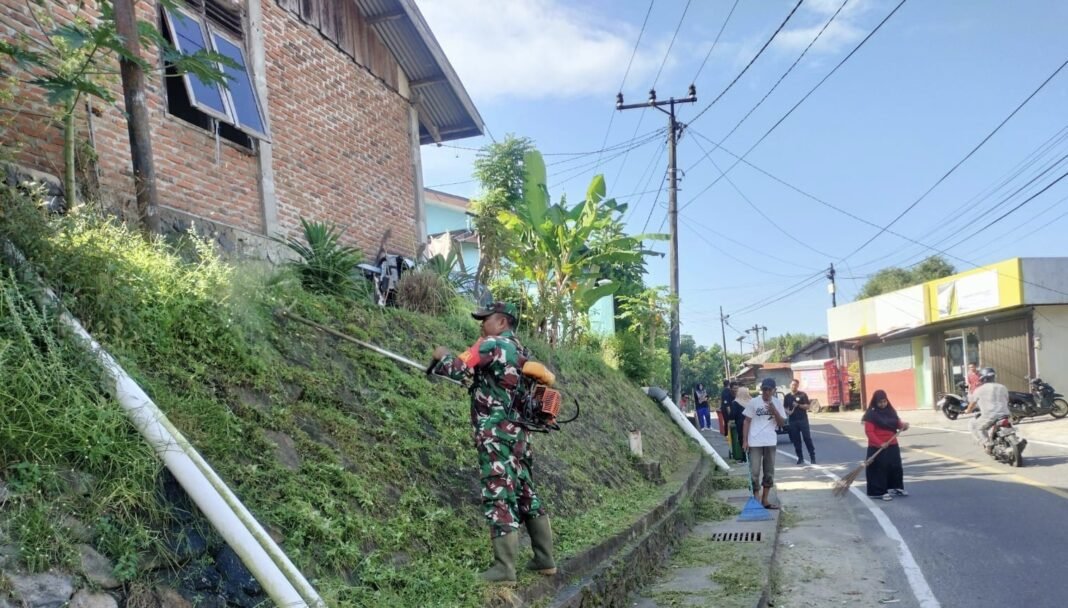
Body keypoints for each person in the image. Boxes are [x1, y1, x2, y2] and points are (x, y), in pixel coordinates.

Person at [431, 302, 555, 584]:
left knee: (499, 493)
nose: (481, 324)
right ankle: (545, 559)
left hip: (495, 435)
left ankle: (504, 569)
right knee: (525, 492)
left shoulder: (490, 344)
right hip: (520, 436)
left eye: (485, 319)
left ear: (501, 322)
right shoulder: (521, 351)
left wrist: (441, 354)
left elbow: (457, 368)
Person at [743, 378, 787, 509]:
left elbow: (782, 424)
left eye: (769, 390)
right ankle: (756, 497)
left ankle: (765, 500)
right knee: (754, 471)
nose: (766, 392)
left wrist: (774, 411)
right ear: (761, 390)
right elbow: (746, 421)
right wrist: (745, 440)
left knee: (769, 472)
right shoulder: (754, 402)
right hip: (754, 441)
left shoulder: (777, 403)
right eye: (764, 389)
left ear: (774, 390)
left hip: (770, 441)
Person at [862, 390, 910, 500]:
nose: (883, 404)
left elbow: (897, 423)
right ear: (875, 402)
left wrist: (904, 426)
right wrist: (880, 443)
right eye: (880, 402)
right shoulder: (870, 415)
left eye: (884, 401)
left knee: (895, 466)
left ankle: (895, 487)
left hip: (892, 444)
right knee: (879, 468)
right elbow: (869, 432)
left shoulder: (891, 411)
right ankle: (877, 492)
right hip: (877, 446)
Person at [964, 367, 1014, 453]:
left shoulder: (979, 390)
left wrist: (967, 411)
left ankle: (987, 444)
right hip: (1006, 415)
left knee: (974, 425)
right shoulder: (1003, 387)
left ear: (982, 378)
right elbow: (1007, 400)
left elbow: (972, 404)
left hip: (989, 416)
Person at [784, 378, 816, 465]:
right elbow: (785, 407)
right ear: (790, 385)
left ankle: (812, 457)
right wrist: (788, 412)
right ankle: (800, 458)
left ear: (797, 386)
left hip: (802, 420)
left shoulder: (802, 395)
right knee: (796, 440)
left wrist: (798, 405)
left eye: (795, 385)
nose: (793, 386)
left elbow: (807, 406)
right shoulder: (787, 396)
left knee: (807, 438)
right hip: (793, 421)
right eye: (792, 384)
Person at [729, 385, 749, 462]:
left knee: (742, 439)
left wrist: (730, 418)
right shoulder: (751, 401)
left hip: (741, 424)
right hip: (751, 423)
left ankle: (744, 457)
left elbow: (733, 415)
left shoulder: (736, 402)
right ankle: (752, 455)